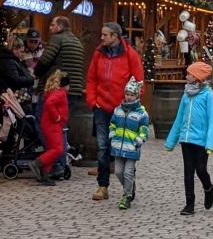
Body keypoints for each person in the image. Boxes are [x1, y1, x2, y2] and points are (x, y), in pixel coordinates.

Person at [85, 22, 144, 201]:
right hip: (101, 107)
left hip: (123, 109)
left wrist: (131, 103)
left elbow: (138, 82)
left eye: (105, 35)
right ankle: (102, 186)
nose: (101, 38)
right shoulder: (98, 53)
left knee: (124, 147)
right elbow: (91, 79)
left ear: (115, 36)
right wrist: (92, 101)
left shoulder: (130, 55)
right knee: (103, 147)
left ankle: (128, 185)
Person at [164, 61, 213, 216]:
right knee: (188, 172)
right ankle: (190, 204)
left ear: (196, 77)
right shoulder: (186, 95)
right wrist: (171, 141)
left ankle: (208, 188)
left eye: (188, 74)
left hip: (201, 141)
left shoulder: (208, 95)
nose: (186, 76)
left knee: (201, 170)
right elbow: (179, 118)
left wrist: (210, 143)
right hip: (186, 140)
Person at [109, 76, 149, 209]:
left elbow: (144, 129)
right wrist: (113, 134)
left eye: (132, 95)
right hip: (118, 147)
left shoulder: (141, 113)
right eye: (127, 94)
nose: (129, 97)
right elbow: (113, 123)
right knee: (118, 172)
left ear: (136, 96)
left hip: (132, 148)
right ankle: (130, 186)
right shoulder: (118, 110)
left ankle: (126, 196)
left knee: (127, 172)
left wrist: (139, 140)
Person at [30, 69, 70, 186]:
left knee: (52, 150)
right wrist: (57, 117)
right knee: (58, 149)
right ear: (65, 85)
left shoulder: (55, 92)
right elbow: (49, 103)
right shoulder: (60, 93)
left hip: (49, 124)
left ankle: (45, 175)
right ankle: (37, 163)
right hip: (53, 125)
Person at [34, 16, 85, 96]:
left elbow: (44, 61)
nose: (50, 28)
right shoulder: (77, 42)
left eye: (53, 25)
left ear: (60, 27)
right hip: (75, 89)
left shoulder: (57, 38)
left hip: (57, 87)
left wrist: (36, 72)